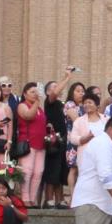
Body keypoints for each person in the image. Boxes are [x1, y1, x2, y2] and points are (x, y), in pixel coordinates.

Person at [14, 82, 48, 204]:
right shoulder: (22, 105)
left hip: (41, 144)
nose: (35, 94)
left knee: (38, 172)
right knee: (27, 171)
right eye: (32, 92)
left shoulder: (39, 108)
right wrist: (37, 102)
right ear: (24, 94)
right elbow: (28, 116)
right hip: (28, 143)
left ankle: (32, 199)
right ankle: (25, 198)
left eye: (36, 91)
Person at [42, 80, 70, 209]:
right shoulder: (49, 101)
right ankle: (48, 199)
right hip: (53, 140)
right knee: (52, 170)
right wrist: (67, 77)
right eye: (54, 87)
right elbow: (54, 93)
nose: (57, 88)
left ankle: (60, 199)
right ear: (48, 92)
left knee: (60, 170)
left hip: (63, 140)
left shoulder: (61, 104)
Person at [63, 82, 88, 205]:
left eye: (83, 91)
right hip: (74, 141)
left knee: (82, 169)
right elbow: (77, 121)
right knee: (73, 169)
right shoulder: (69, 105)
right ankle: (73, 197)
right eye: (78, 91)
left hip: (85, 141)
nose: (81, 93)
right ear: (72, 92)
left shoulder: (84, 106)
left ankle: (81, 197)